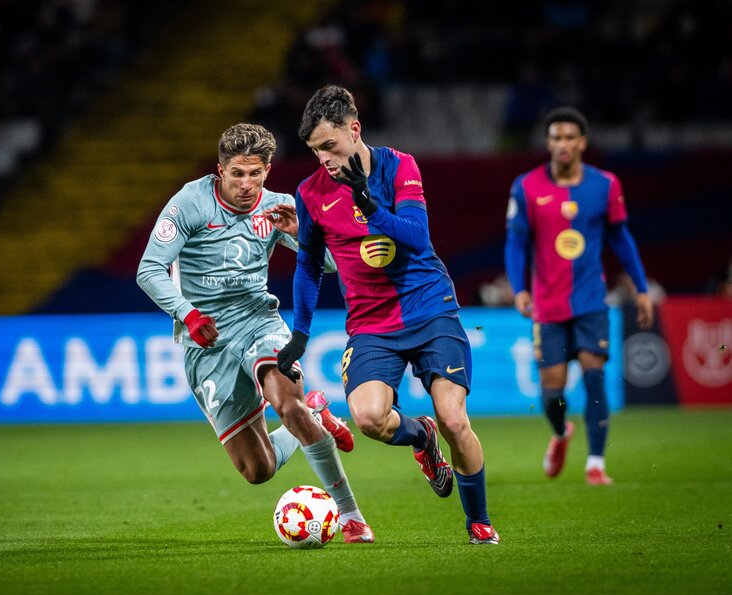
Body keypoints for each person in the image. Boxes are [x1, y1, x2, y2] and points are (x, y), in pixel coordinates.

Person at [276, 85, 499, 545]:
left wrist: (371, 205)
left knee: (456, 419)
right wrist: (300, 332)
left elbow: (417, 236)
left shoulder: (400, 166)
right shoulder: (311, 193)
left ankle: (479, 522)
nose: (324, 159)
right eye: (315, 150)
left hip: (429, 307)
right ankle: (421, 438)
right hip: (371, 325)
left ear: (354, 130)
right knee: (369, 418)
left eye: (330, 146)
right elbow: (308, 266)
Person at [136, 123, 374, 543]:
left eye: (256, 174)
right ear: (220, 171)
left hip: (259, 322)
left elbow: (338, 266)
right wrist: (188, 314)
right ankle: (318, 416)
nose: (247, 185)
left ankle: (350, 514)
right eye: (237, 175)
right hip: (206, 342)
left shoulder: (280, 206)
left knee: (287, 402)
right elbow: (149, 269)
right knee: (257, 470)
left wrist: (302, 233)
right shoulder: (190, 203)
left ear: (267, 170)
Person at [504, 106, 654, 486]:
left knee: (594, 377)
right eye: (556, 137)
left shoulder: (605, 185)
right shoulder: (526, 186)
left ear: (583, 142)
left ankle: (596, 463)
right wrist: (520, 289)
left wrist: (641, 288)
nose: (563, 144)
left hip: (590, 300)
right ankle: (561, 433)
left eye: (570, 137)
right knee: (552, 395)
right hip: (548, 305)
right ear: (548, 143)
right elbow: (516, 244)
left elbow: (621, 238)